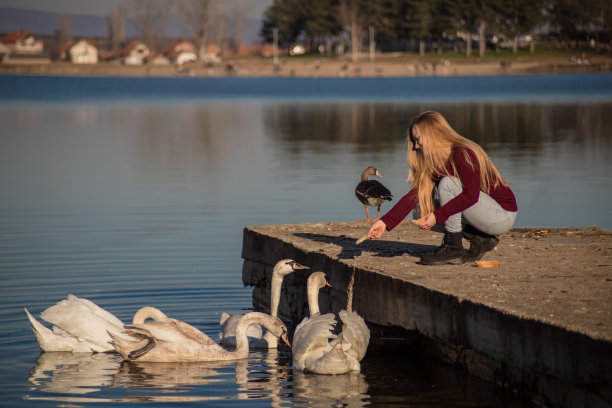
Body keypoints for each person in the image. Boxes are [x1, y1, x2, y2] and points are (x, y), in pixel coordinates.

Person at [367, 111, 517, 265]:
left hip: (501, 215)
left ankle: (453, 248)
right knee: (420, 211)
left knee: (448, 184)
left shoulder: (463, 153)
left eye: (417, 139)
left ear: (433, 134)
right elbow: (414, 196)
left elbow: (471, 196)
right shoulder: (435, 163)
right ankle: (480, 239)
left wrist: (438, 216)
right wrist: (384, 223)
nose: (416, 146)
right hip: (480, 215)